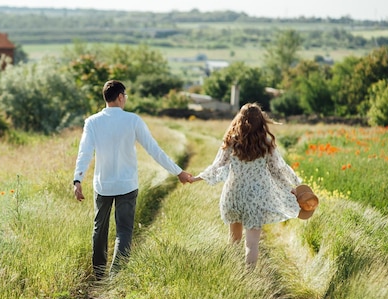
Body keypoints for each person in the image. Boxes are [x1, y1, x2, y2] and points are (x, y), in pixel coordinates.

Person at [73, 80, 193, 279]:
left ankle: (100, 273)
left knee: (99, 228)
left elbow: (84, 153)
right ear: (120, 97)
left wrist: (77, 180)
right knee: (124, 230)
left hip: (103, 185)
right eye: (125, 96)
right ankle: (117, 274)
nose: (125, 100)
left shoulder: (92, 122)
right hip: (127, 185)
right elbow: (154, 150)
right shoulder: (133, 120)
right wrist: (178, 172)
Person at [190, 103, 303, 266]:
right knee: (252, 244)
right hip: (256, 198)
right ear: (261, 122)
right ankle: (248, 277)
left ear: (240, 120)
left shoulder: (231, 140)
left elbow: (217, 165)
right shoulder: (266, 143)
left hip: (233, 194)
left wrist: (196, 178)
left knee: (233, 240)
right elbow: (277, 170)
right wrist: (293, 186)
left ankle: (235, 276)